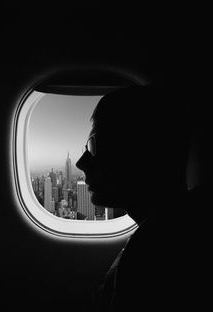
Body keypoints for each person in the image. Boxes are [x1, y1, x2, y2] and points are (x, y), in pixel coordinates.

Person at [76, 86, 206, 311]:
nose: (81, 162)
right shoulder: (163, 234)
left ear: (141, 152)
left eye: (95, 145)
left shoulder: (156, 257)